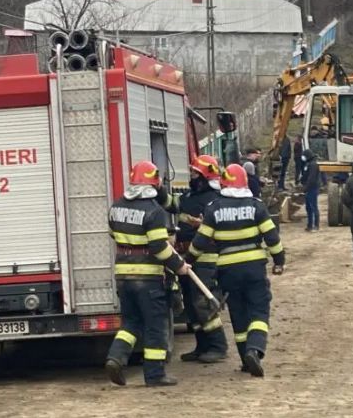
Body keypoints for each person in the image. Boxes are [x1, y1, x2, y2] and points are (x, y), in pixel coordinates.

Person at [189, 164, 285, 377]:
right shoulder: (256, 206)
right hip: (254, 269)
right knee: (259, 311)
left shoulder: (214, 208)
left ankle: (245, 359)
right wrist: (279, 260)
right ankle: (255, 350)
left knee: (239, 315)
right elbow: (272, 238)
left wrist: (188, 260)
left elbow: (201, 241)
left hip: (227, 271)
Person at [105, 161, 190, 387]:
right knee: (155, 324)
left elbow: (113, 234)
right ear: (154, 183)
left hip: (123, 275)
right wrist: (180, 266)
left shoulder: (116, 206)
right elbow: (159, 248)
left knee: (130, 322)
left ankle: (115, 357)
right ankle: (154, 375)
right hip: (149, 278)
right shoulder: (154, 211)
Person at [175, 155, 229, 364]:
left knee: (203, 301)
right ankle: (202, 345)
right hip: (187, 257)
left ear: (205, 175)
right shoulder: (189, 197)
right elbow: (173, 205)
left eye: (195, 173)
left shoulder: (217, 199)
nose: (192, 176)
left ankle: (218, 345)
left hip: (207, 258)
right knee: (190, 303)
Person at [302, 149, 321, 231]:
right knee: (308, 208)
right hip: (309, 188)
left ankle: (316, 225)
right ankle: (310, 225)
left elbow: (311, 178)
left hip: (312, 188)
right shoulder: (309, 164)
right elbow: (306, 176)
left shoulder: (313, 165)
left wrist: (306, 188)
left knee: (313, 207)